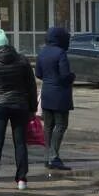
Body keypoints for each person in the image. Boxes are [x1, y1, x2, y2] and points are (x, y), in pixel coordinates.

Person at [0, 28, 38, 190]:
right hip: (20, 106)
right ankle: (21, 179)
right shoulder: (22, 60)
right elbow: (31, 87)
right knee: (20, 142)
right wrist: (33, 108)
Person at [36, 26, 75, 171]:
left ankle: (47, 157)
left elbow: (38, 74)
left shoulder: (42, 52)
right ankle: (54, 157)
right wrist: (72, 76)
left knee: (48, 126)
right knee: (61, 125)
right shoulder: (61, 53)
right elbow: (65, 75)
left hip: (47, 93)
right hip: (60, 95)